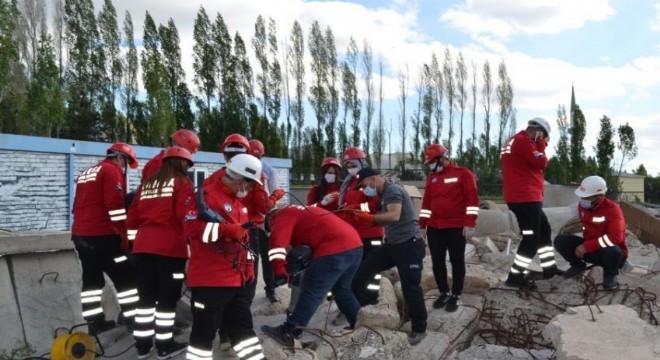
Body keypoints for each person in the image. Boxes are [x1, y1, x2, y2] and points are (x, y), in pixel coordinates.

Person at [183, 154, 266, 360]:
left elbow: (243, 242)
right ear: (240, 180)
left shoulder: (239, 205)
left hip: (236, 280)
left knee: (244, 330)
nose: (248, 190)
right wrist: (225, 231)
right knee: (203, 334)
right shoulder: (205, 196)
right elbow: (191, 230)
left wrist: (247, 271)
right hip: (210, 281)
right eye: (250, 184)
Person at [260, 205, 363, 347]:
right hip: (354, 245)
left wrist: (279, 270)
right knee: (342, 290)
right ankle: (360, 327)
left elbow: (277, 244)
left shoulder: (282, 216)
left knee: (311, 290)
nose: (272, 229)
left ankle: (289, 331)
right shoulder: (302, 211)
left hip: (334, 248)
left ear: (271, 219)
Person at [127, 146, 194, 359]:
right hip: (169, 249)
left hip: (142, 247)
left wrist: (133, 244)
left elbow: (132, 219)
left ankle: (143, 347)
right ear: (182, 163)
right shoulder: (182, 183)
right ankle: (165, 346)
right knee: (167, 299)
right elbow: (184, 216)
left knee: (145, 299)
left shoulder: (147, 184)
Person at [349, 168, 428, 346]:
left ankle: (419, 329)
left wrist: (369, 219)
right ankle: (369, 308)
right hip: (393, 245)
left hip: (409, 245)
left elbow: (394, 215)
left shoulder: (392, 191)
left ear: (372, 179)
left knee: (411, 288)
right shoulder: (383, 193)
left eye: (364, 185)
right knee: (362, 273)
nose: (364, 189)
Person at [71, 142, 140, 333]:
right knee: (126, 276)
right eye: (126, 163)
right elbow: (115, 207)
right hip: (103, 236)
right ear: (120, 158)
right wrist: (125, 236)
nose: (125, 168)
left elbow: (76, 205)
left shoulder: (87, 173)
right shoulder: (111, 171)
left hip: (80, 236)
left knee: (92, 281)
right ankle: (132, 318)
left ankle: (94, 322)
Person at [500, 117, 562, 290]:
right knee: (531, 238)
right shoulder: (523, 142)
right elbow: (540, 162)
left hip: (523, 197)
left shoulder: (514, 141)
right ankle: (515, 276)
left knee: (544, 232)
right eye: (544, 137)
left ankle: (549, 268)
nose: (544, 142)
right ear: (539, 132)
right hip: (525, 198)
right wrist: (540, 145)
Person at [419, 144, 479, 312]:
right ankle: (444, 292)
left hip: (456, 226)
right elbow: (426, 204)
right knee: (437, 261)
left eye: (432, 161)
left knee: (456, 260)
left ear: (442, 158)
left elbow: (472, 200)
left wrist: (470, 223)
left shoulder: (463, 174)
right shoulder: (432, 178)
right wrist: (422, 225)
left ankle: (456, 294)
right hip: (435, 227)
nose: (430, 165)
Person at [554, 176, 627, 289]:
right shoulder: (583, 207)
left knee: (612, 250)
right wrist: (585, 246)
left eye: (587, 197)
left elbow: (615, 238)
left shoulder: (613, 210)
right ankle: (577, 266)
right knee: (560, 241)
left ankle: (610, 275)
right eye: (582, 196)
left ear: (600, 196)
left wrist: (587, 246)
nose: (583, 200)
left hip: (611, 254)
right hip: (592, 250)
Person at [337, 147, 384, 301]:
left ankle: (371, 297)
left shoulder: (370, 181)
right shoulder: (349, 183)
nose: (351, 169)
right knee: (355, 269)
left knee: (372, 268)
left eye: (353, 165)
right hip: (354, 233)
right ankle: (357, 298)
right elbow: (346, 204)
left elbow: (373, 206)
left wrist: (353, 209)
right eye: (348, 166)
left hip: (371, 232)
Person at [248, 139, 283, 303]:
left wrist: (270, 216)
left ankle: (271, 289)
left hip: (263, 220)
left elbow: (273, 194)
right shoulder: (241, 168)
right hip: (246, 221)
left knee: (268, 256)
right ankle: (247, 293)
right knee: (249, 259)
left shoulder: (269, 171)